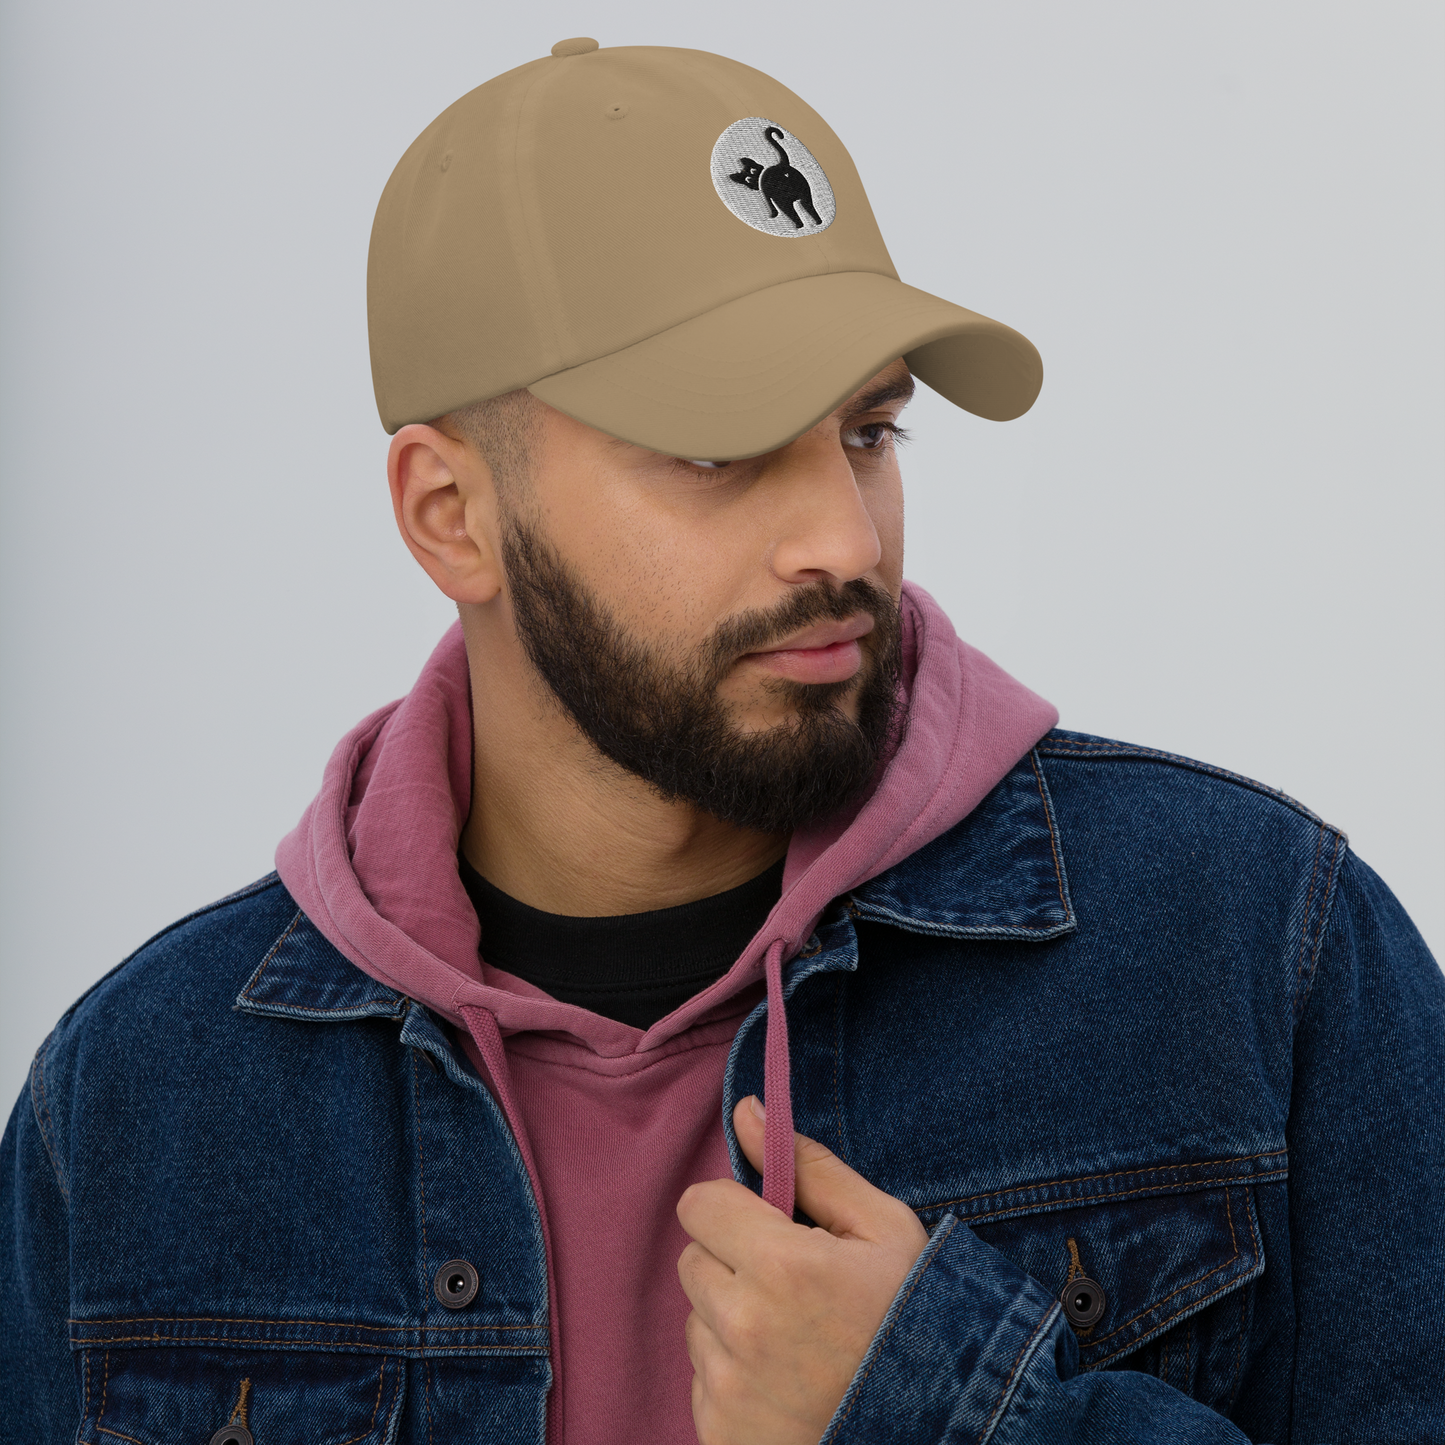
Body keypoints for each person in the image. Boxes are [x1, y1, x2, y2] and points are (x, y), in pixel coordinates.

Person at [1, 37, 1440, 1445]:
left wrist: (952, 1413)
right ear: (451, 514)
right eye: (716, 451)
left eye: (870, 433)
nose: (841, 538)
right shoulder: (134, 1104)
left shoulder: (1257, 953)